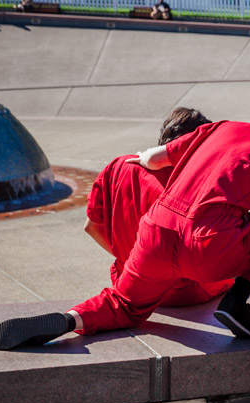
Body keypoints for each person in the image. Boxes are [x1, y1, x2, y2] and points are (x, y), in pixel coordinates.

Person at [0, 98, 250, 350]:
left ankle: (69, 319)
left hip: (155, 232)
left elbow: (153, 157)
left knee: (125, 304)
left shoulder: (225, 128)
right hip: (209, 247)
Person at [84, 107, 232, 307]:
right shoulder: (196, 182)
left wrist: (134, 265)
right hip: (184, 293)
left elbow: (91, 227)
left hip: (128, 283)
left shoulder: (117, 167)